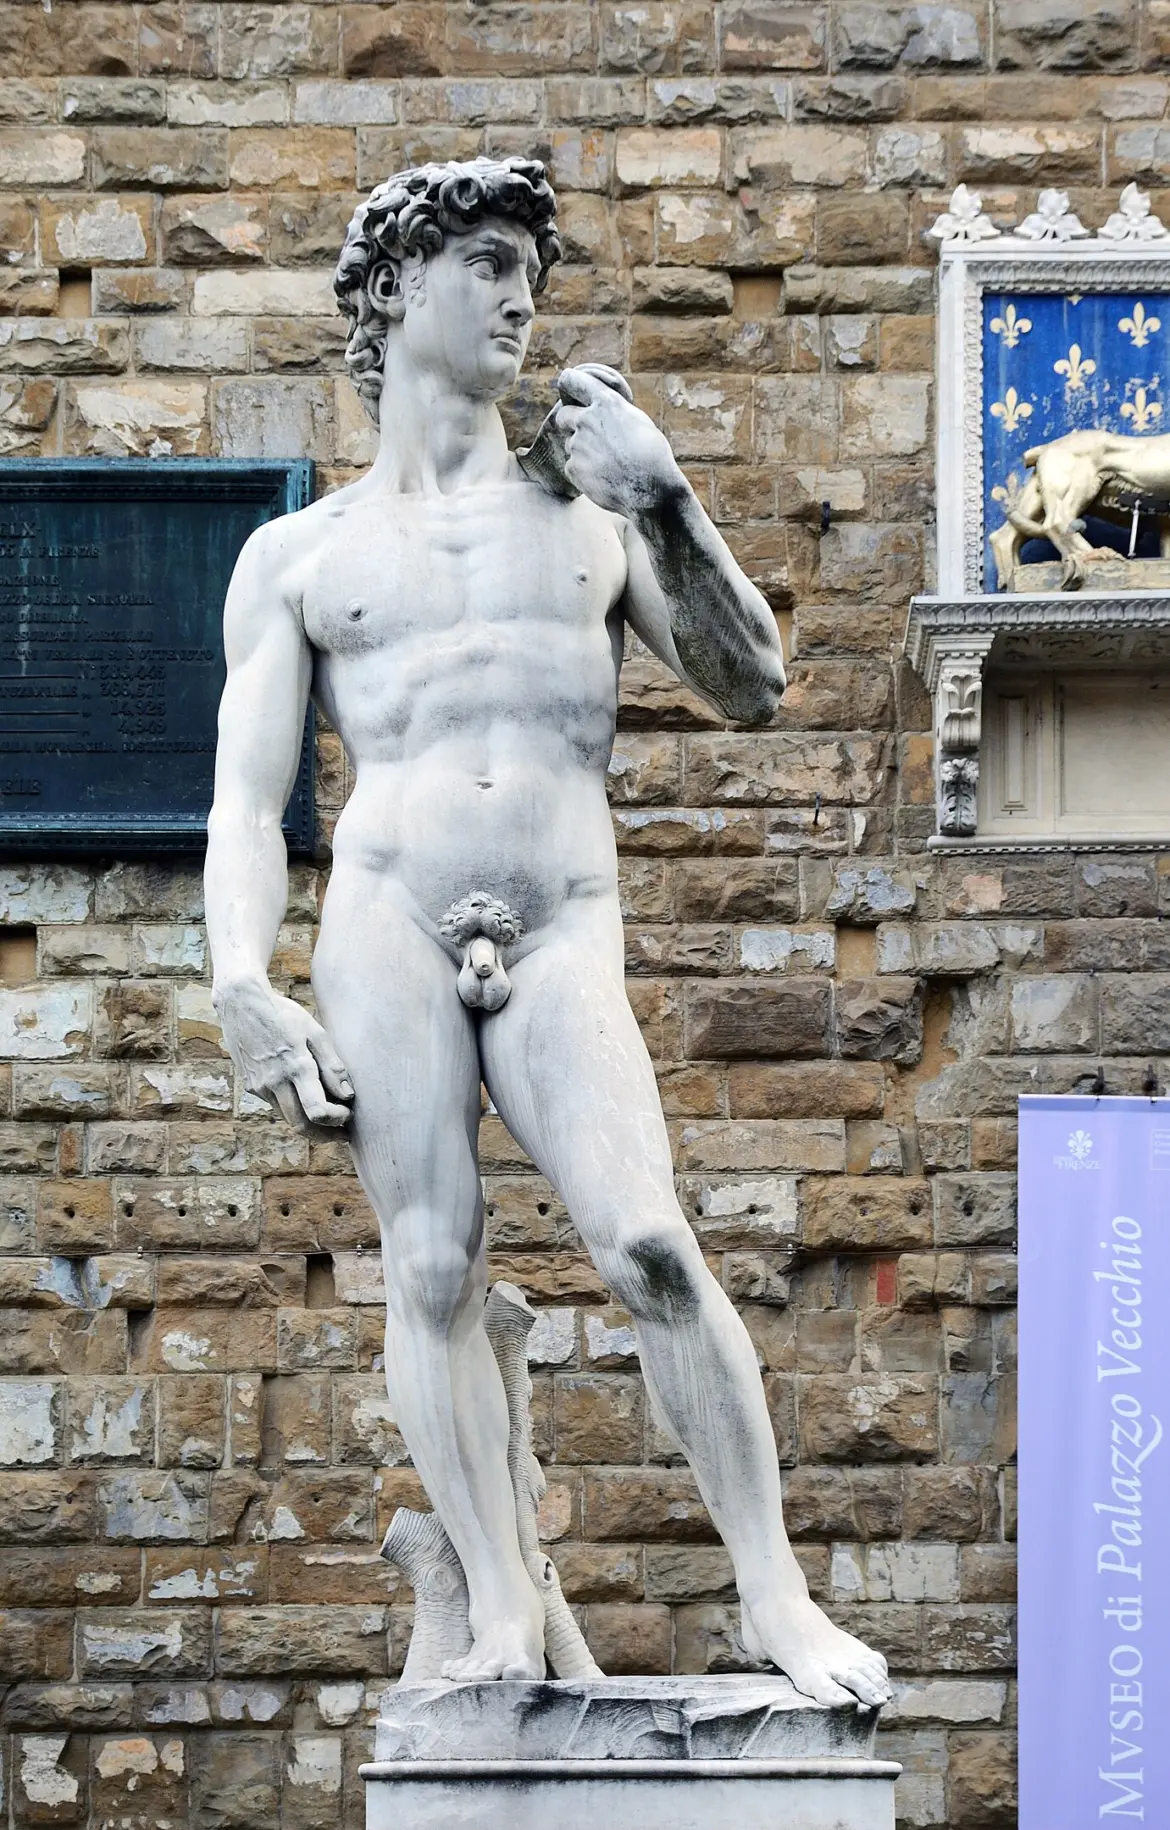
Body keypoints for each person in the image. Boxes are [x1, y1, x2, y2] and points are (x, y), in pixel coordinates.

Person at [204, 156, 890, 1708]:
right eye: (494, 265)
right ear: (395, 290)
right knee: (433, 1268)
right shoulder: (299, 559)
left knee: (647, 1240)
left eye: (532, 270)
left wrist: (666, 492)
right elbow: (251, 805)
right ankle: (504, 1608)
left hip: (561, 925)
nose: (524, 298)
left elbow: (750, 681)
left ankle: (771, 1595)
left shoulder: (588, 509)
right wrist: (238, 976)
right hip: (382, 913)